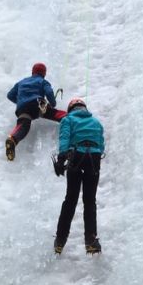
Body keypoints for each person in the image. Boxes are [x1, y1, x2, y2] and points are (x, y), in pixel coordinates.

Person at [52, 98, 105, 255]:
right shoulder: (96, 122)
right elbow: (101, 143)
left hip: (76, 156)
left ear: (71, 109)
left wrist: (62, 158)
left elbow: (65, 137)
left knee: (71, 199)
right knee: (90, 200)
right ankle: (91, 240)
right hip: (94, 159)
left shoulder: (68, 119)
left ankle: (60, 240)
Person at [5, 62, 65, 160]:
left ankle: (13, 139)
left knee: (23, 126)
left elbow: (10, 95)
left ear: (32, 71)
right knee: (54, 113)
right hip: (37, 104)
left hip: (22, 108)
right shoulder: (42, 81)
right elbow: (49, 92)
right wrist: (53, 104)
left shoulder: (21, 82)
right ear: (44, 73)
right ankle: (71, 117)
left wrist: (20, 101)